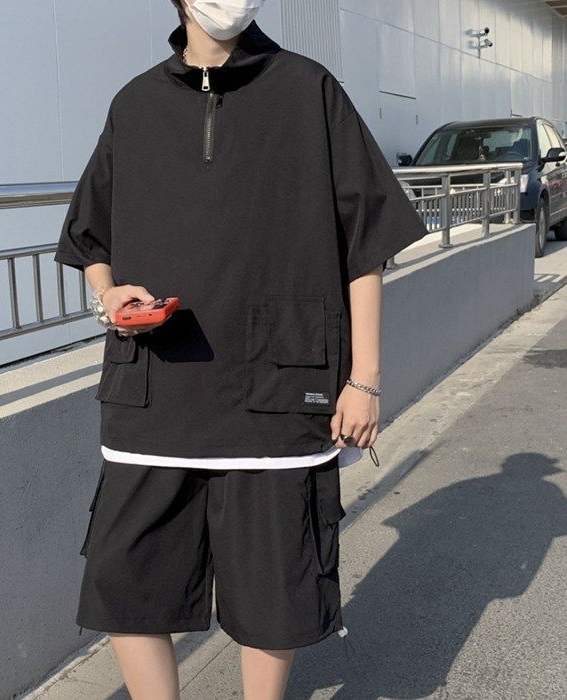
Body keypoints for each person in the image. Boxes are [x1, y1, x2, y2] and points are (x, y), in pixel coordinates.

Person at [53, 1, 429, 697]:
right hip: (155, 391)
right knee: (123, 586)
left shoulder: (308, 90)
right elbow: (89, 236)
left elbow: (366, 241)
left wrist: (366, 379)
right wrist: (109, 297)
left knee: (274, 595)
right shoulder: (135, 104)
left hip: (278, 389)